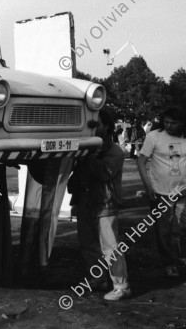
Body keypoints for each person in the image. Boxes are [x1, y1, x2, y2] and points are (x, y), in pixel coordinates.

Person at [137, 106, 186, 278]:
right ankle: (169, 262)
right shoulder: (154, 136)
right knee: (164, 231)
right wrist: (147, 186)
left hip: (182, 191)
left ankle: (183, 256)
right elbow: (141, 162)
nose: (169, 125)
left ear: (182, 123)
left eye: (174, 123)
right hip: (159, 193)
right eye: (166, 122)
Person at [68, 109, 130, 301]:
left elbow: (104, 173)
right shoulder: (85, 148)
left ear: (108, 126)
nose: (92, 128)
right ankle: (99, 279)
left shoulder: (115, 152)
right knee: (88, 246)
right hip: (85, 201)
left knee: (111, 248)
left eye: (97, 124)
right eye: (91, 124)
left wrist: (87, 155)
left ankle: (122, 286)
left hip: (105, 204)